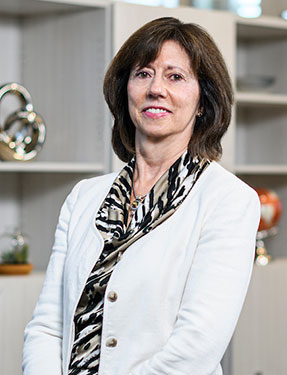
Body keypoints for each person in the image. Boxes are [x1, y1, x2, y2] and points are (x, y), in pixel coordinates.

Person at [22, 17, 260, 375]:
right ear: (126, 90)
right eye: (143, 74)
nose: (156, 89)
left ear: (202, 101)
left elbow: (196, 347)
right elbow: (47, 327)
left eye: (175, 76)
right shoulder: (84, 197)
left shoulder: (229, 200)